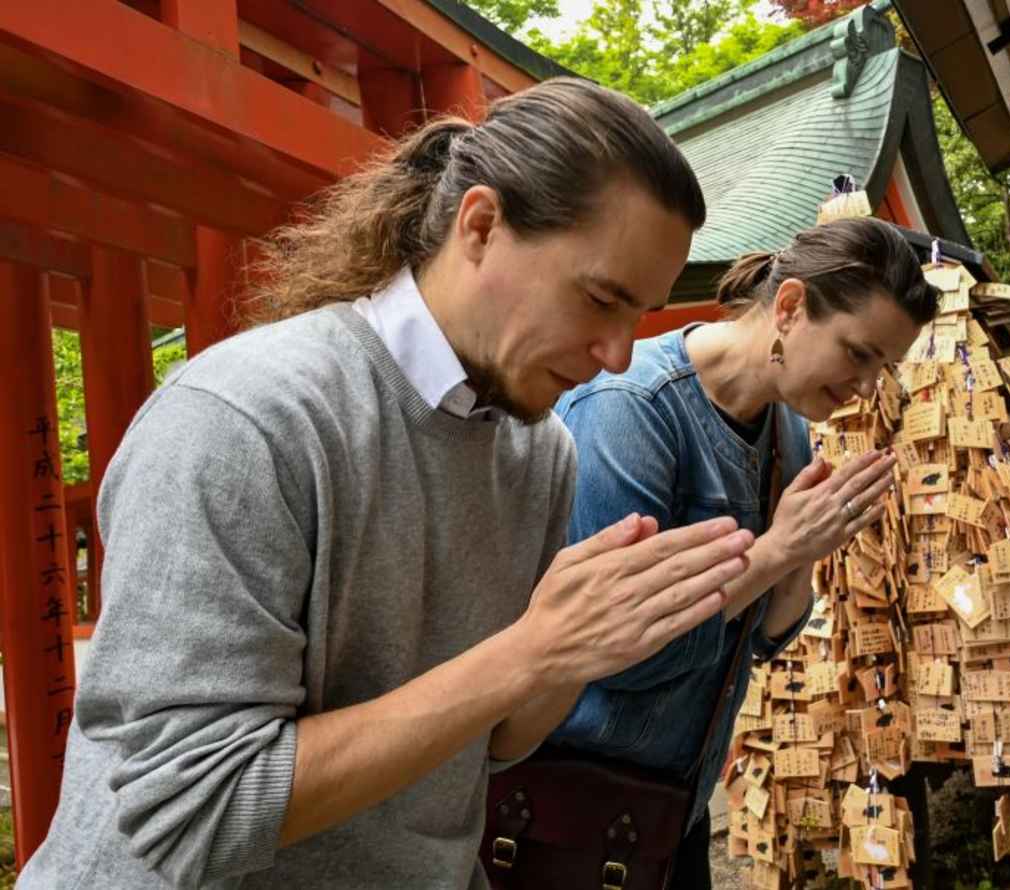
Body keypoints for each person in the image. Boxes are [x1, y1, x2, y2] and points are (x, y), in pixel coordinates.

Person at [19, 79, 755, 890]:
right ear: (480, 225)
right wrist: (526, 653)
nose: (619, 354)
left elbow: (500, 737)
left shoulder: (541, 450)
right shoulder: (247, 418)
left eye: (641, 313)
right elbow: (193, 809)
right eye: (601, 299)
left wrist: (577, 648)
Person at [540, 216, 940, 888]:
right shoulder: (632, 410)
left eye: (884, 367)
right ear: (790, 307)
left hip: (677, 807)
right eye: (860, 353)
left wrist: (808, 549)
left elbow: (763, 638)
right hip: (575, 812)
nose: (869, 386)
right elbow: (615, 655)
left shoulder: (788, 425)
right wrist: (779, 548)